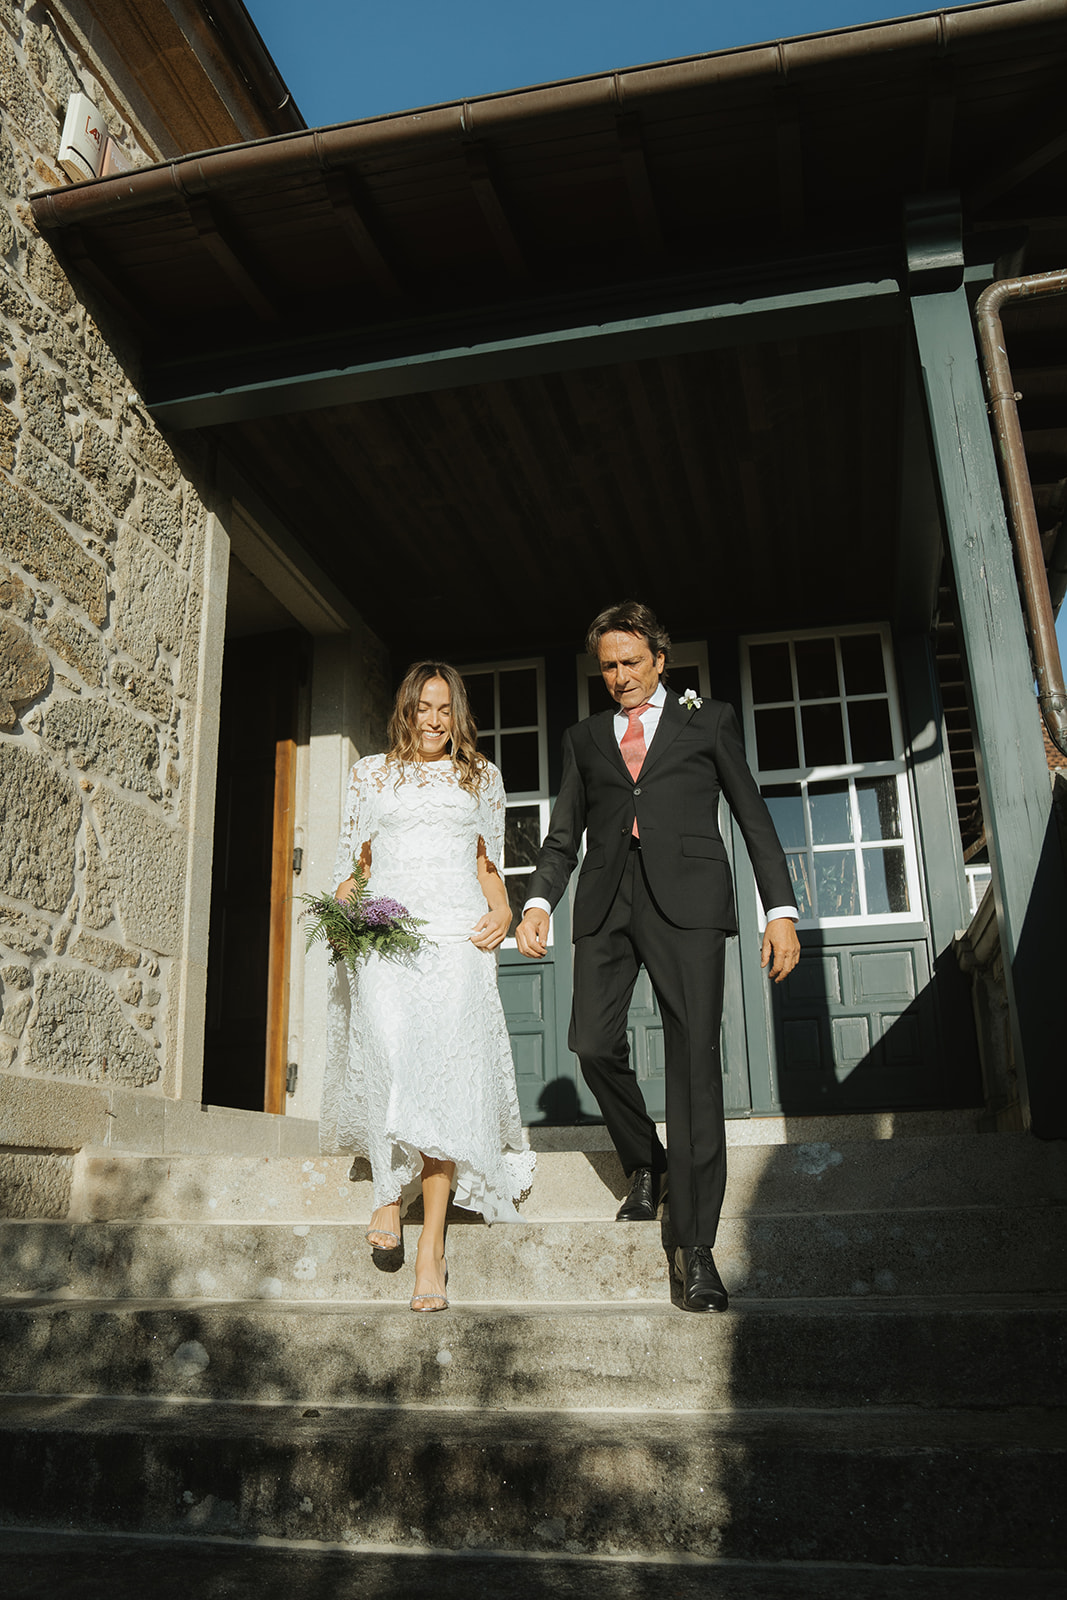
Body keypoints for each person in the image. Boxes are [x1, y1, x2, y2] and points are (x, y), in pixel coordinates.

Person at [516, 602, 799, 1313]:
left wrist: (780, 910)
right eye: (607, 666)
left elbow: (751, 814)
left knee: (693, 1064)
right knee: (589, 1042)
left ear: (660, 661)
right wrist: (539, 902)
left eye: (630, 663)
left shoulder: (708, 720)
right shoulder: (584, 738)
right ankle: (647, 1161)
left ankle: (694, 1247)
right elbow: (563, 835)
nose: (618, 678)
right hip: (608, 902)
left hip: (690, 904)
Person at [320, 661, 535, 1312]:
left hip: (454, 941)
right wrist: (340, 914)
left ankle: (431, 1252)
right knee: (388, 1065)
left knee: (445, 1085)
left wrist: (502, 910)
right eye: (422, 708)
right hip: (387, 937)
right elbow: (353, 865)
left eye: (444, 708)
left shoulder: (481, 776)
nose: (434, 720)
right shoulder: (370, 774)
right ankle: (387, 1193)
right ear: (405, 712)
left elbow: (486, 863)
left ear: (457, 713)